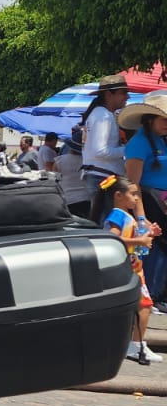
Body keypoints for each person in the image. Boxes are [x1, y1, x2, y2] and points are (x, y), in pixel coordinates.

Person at [93, 174, 162, 365]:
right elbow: (112, 239)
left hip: (133, 267)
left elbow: (133, 243)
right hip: (128, 269)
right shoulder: (117, 215)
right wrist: (140, 240)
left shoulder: (125, 216)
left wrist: (149, 234)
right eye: (132, 194)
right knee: (145, 305)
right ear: (118, 195)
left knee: (141, 306)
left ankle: (134, 343)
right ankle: (136, 344)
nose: (136, 198)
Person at [120, 90, 167, 313]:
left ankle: (160, 294)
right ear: (150, 119)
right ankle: (154, 295)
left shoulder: (160, 141)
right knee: (156, 249)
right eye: (163, 119)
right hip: (150, 203)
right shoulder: (139, 143)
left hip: (161, 201)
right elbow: (133, 183)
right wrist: (142, 217)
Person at [81, 73, 131, 199]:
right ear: (109, 94)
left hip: (101, 175)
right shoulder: (103, 116)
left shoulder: (101, 113)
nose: (127, 97)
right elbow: (100, 151)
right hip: (103, 176)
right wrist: (128, 149)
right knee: (108, 218)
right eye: (123, 92)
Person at [56, 124, 91, 218]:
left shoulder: (59, 161)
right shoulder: (88, 161)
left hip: (67, 199)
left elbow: (54, 181)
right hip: (87, 199)